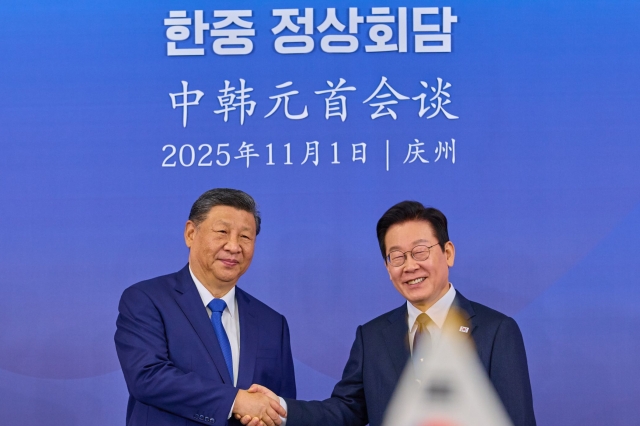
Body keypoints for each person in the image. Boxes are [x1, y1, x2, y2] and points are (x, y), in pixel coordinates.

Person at [241, 201, 535, 426]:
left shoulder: (496, 331)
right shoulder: (372, 337)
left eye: (420, 251)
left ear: (448, 253)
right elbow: (345, 410)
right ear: (387, 267)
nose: (410, 266)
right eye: (397, 256)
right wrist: (280, 409)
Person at [115, 188, 295, 426]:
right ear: (191, 233)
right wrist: (236, 401)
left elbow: (281, 405)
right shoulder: (146, 299)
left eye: (245, 237)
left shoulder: (272, 322)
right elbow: (147, 377)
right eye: (222, 232)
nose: (234, 246)